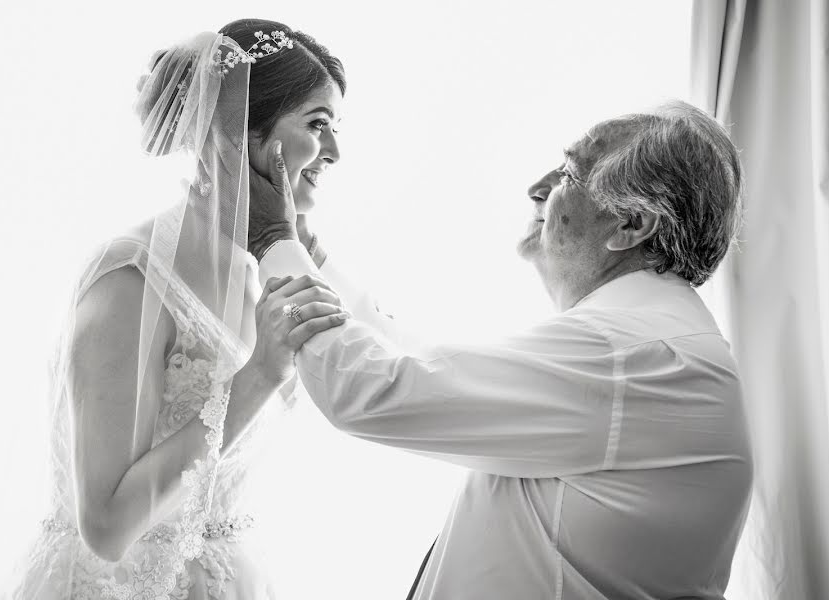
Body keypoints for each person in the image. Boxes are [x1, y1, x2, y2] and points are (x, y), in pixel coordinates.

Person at [251, 101, 754, 599]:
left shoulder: (626, 352)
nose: (538, 188)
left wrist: (274, 241)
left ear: (631, 224)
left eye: (569, 175)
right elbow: (435, 366)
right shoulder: (654, 341)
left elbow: (371, 391)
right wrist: (313, 260)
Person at [5, 18, 394, 600]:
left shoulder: (266, 269)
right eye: (319, 125)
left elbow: (388, 356)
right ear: (239, 128)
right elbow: (106, 527)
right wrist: (261, 371)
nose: (335, 151)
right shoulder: (131, 280)